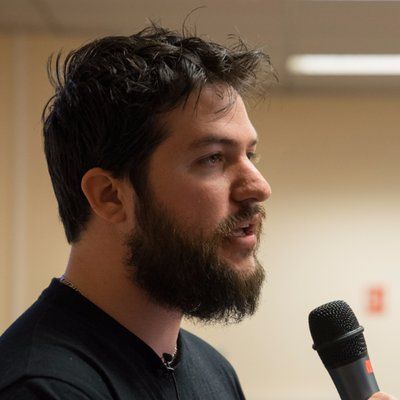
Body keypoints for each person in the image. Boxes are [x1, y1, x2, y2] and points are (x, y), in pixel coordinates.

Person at [0, 23, 396, 400]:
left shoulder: (213, 371)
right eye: (213, 158)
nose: (259, 187)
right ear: (110, 196)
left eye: (250, 155)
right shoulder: (43, 387)